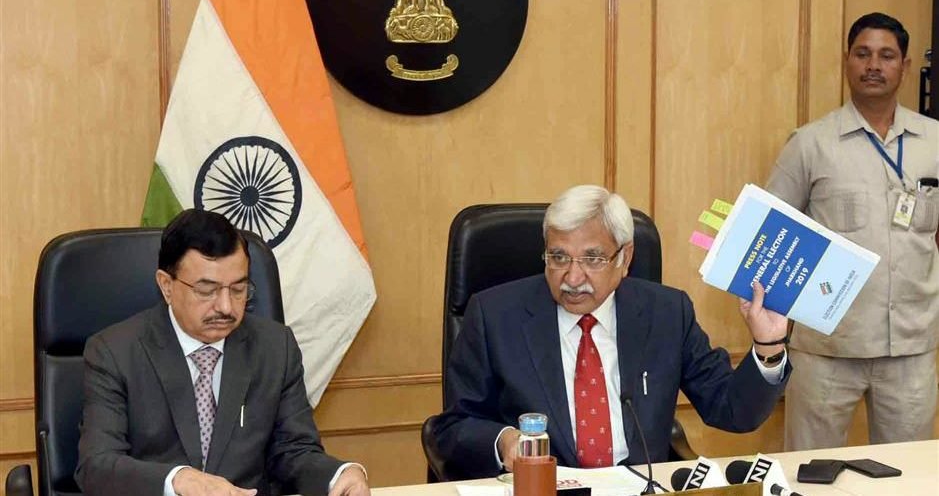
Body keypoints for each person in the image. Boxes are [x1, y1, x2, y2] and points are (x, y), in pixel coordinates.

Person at [432, 185, 791, 479]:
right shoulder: (495, 315)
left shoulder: (666, 313)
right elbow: (452, 428)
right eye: (558, 258)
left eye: (593, 259)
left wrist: (768, 344)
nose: (572, 278)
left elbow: (732, 410)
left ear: (625, 258)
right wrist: (503, 440)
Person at [75, 209, 370, 496]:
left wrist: (339, 475)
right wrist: (178, 480)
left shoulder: (275, 347)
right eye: (207, 290)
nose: (226, 307)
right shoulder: (114, 352)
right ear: (166, 286)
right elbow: (97, 467)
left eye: (239, 289)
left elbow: (293, 452)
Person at [766, 12, 939, 450]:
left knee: (907, 479)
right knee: (809, 475)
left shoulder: (935, 141)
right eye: (863, 54)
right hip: (827, 350)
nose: (873, 65)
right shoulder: (810, 143)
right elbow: (771, 237)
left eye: (886, 55)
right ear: (847, 61)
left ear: (904, 65)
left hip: (912, 350)